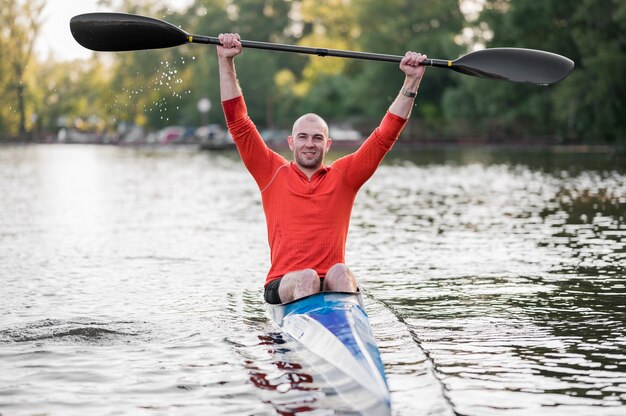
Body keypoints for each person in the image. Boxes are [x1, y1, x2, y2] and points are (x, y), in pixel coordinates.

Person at [217, 33, 427, 304]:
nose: (309, 144)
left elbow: (385, 134)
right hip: (284, 285)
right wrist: (226, 61)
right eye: (303, 137)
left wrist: (412, 81)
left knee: (341, 272)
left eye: (317, 138)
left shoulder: (345, 176)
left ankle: (346, 334)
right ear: (291, 142)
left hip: (331, 284)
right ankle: (308, 337)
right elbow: (238, 121)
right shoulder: (270, 171)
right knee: (307, 278)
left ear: (327, 144)